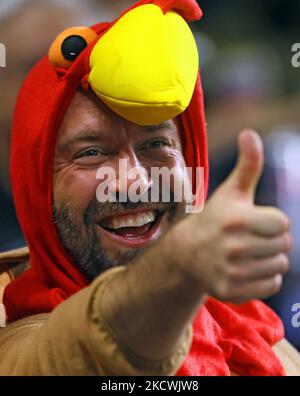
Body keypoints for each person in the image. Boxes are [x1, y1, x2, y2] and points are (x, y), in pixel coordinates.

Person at [1, 0, 300, 376]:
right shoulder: (14, 335)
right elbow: (84, 351)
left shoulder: (254, 331)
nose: (134, 181)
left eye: (156, 144)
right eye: (91, 152)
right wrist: (177, 270)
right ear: (37, 187)